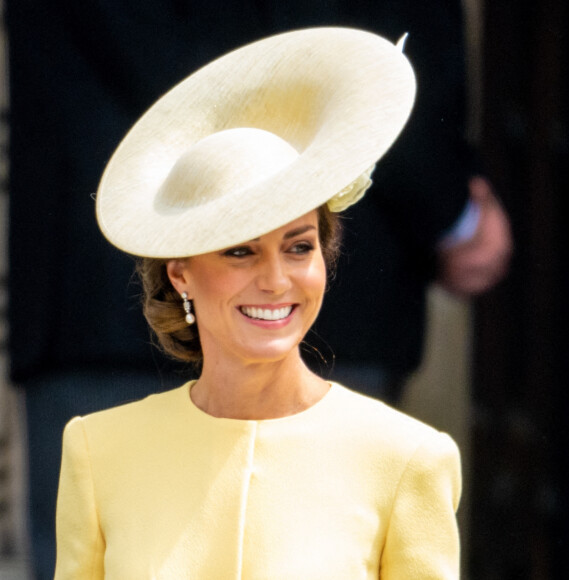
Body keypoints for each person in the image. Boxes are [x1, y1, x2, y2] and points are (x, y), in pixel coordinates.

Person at [54, 28, 461, 578]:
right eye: (240, 251)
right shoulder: (97, 453)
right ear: (181, 274)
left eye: (298, 247)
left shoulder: (407, 459)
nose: (276, 281)